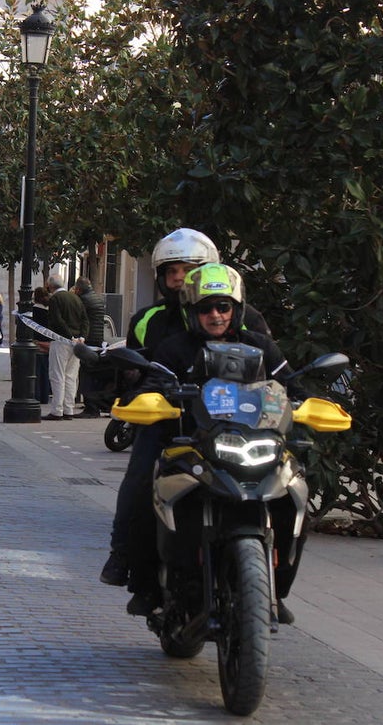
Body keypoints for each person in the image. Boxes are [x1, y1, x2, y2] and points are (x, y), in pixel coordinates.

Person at [125, 263, 303, 623]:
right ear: (192, 312)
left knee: (295, 493)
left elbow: (294, 385)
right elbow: (150, 385)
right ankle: (145, 585)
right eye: (206, 308)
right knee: (143, 492)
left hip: (255, 442)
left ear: (236, 309)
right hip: (192, 445)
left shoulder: (260, 345)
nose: (216, 315)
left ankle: (273, 588)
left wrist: (314, 404)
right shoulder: (175, 348)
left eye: (223, 307)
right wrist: (149, 401)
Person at [100, 228, 272, 589]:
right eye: (172, 270)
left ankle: (272, 581)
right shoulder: (151, 321)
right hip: (172, 424)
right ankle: (124, 555)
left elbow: (272, 367)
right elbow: (139, 372)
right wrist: (138, 392)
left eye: (189, 269)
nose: (179, 277)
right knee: (141, 476)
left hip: (239, 425)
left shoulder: (246, 318)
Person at [43, 275, 88, 421]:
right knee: (71, 376)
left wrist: (69, 336)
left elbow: (57, 320)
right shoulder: (76, 298)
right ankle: (69, 409)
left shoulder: (55, 299)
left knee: (57, 375)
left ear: (50, 286)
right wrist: (81, 337)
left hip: (61, 341)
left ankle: (57, 410)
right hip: (77, 344)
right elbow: (85, 320)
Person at [73, 277, 105, 418]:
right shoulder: (97, 298)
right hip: (97, 340)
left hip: (89, 339)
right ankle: (94, 405)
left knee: (86, 375)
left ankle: (91, 408)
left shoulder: (83, 300)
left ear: (79, 289)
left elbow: (79, 319)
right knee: (93, 374)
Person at [31, 286, 53, 404]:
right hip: (48, 344)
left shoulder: (33, 311)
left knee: (37, 372)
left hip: (36, 344)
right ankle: (45, 395)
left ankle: (37, 395)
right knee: (46, 372)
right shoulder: (49, 311)